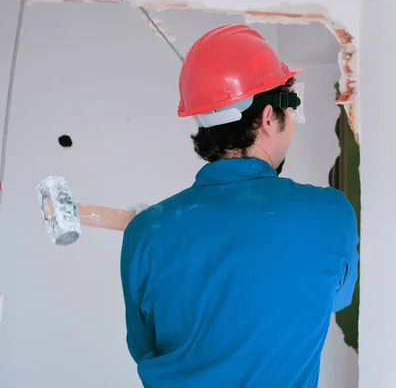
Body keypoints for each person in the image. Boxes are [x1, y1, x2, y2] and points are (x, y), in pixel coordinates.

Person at [119, 24, 359, 388]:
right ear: (267, 118)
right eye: (290, 108)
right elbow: (333, 299)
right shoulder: (330, 212)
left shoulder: (145, 232)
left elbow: (142, 347)